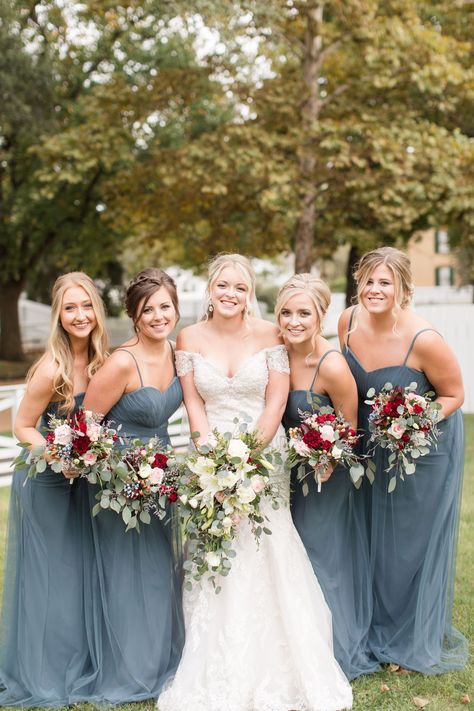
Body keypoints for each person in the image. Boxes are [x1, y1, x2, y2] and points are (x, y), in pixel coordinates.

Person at [158, 254, 352, 711]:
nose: (230, 293)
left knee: (267, 548)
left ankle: (285, 663)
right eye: (223, 285)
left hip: (265, 457)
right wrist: (213, 458)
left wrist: (247, 458)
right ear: (210, 289)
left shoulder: (270, 335)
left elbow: (274, 403)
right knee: (216, 549)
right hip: (208, 457)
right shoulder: (187, 338)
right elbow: (194, 405)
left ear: (250, 294)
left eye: (240, 287)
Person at [338, 246, 468, 674]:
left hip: (420, 452)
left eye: (385, 283)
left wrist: (410, 425)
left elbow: (453, 395)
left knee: (408, 547)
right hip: (368, 451)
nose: (375, 290)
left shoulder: (424, 339)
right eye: (369, 281)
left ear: (403, 290)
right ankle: (374, 629)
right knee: (374, 542)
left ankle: (410, 641)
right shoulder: (346, 321)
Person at [0, 272, 108, 706]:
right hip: (47, 480)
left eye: (86, 306)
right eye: (70, 308)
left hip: (84, 482)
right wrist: (58, 456)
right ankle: (43, 673)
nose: (79, 315)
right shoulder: (52, 368)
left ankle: (79, 664)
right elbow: (21, 425)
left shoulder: (104, 363)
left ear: (97, 311)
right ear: (58, 316)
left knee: (79, 573)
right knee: (51, 578)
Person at [81, 268, 184, 703]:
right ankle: (129, 670)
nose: (158, 316)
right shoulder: (122, 361)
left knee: (161, 573)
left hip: (161, 479)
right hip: (119, 485)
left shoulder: (179, 354)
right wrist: (121, 472)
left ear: (176, 308)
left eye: (165, 306)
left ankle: (161, 663)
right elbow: (86, 426)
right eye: (148, 310)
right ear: (134, 317)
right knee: (127, 576)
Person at [277, 273, 379, 681]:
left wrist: (324, 456)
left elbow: (351, 429)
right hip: (286, 474)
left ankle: (332, 647)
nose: (294, 321)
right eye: (286, 312)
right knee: (291, 557)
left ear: (320, 317)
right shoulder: (277, 353)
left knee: (320, 556)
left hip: (325, 476)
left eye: (304, 313)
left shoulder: (332, 364)